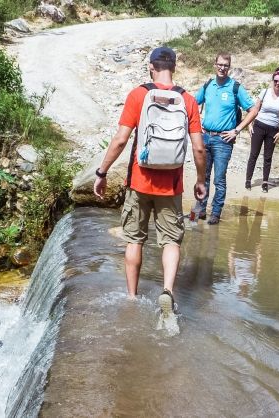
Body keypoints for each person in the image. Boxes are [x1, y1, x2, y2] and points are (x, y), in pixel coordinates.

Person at [93, 46, 207, 318]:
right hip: (171, 185)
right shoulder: (187, 100)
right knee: (171, 241)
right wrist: (201, 180)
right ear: (174, 68)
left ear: (151, 67)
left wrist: (101, 172)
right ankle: (167, 291)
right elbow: (199, 149)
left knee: (135, 240)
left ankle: (132, 298)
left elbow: (121, 140)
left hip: (139, 181)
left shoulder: (139, 95)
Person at [195, 52, 258, 225]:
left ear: (229, 67)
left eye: (226, 65)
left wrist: (236, 130)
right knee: (203, 176)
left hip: (224, 140)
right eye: (220, 64)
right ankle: (199, 210)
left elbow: (253, 110)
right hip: (205, 136)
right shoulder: (208, 85)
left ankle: (215, 213)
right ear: (215, 65)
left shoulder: (235, 88)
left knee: (219, 179)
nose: (222, 68)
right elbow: (193, 102)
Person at [246, 67, 279, 193]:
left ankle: (265, 182)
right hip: (259, 126)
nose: (277, 83)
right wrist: (249, 124)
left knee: (268, 157)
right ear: (272, 80)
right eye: (276, 80)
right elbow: (255, 109)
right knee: (253, 154)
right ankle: (248, 180)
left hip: (273, 130)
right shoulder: (264, 92)